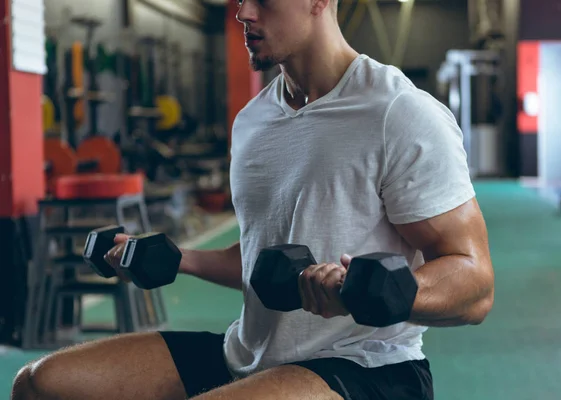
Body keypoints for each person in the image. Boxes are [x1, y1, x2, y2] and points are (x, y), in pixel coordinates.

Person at [11, 0, 495, 399]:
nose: (242, 13)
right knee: (40, 384)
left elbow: (474, 284)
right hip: (247, 352)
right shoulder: (253, 122)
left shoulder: (398, 111)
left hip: (367, 368)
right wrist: (180, 260)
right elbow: (263, 257)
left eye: (261, 0)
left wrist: (359, 293)